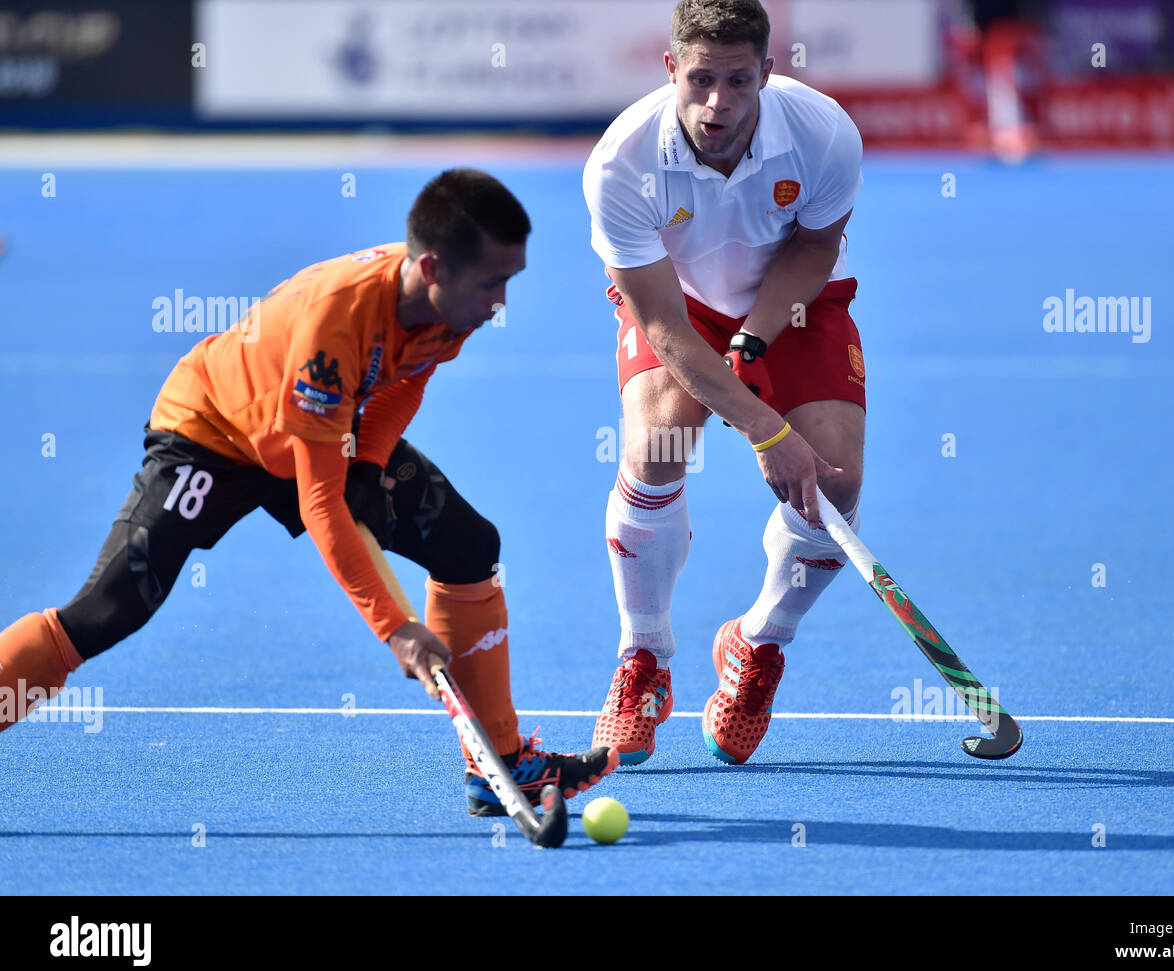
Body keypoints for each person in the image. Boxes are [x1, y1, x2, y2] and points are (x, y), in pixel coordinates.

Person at [0, 168, 617, 814]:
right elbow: (319, 505)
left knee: (468, 546)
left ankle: (500, 764)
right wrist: (397, 629)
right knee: (108, 611)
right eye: (493, 284)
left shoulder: (449, 310)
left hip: (325, 430)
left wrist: (370, 468)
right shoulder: (339, 317)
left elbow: (407, 379)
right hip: (213, 429)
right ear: (432, 268)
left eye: (509, 282)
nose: (501, 304)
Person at [583, 0, 865, 765]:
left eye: (738, 81)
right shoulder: (621, 163)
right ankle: (643, 658)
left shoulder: (823, 132)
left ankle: (757, 642)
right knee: (656, 447)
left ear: (767, 73)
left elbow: (813, 249)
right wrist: (766, 428)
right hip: (682, 304)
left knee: (834, 482)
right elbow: (666, 328)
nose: (718, 103)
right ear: (671, 68)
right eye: (701, 79)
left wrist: (755, 340)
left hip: (793, 298)